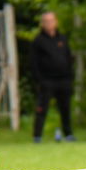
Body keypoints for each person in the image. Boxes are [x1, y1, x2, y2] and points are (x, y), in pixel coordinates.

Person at [30, 12, 75, 143]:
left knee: (65, 108)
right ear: (42, 24)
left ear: (56, 22)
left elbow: (68, 58)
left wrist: (69, 76)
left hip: (63, 80)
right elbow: (33, 62)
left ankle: (69, 134)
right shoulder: (38, 41)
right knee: (42, 108)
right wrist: (39, 80)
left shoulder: (62, 38)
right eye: (46, 21)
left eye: (51, 20)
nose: (49, 23)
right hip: (47, 81)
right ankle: (37, 136)